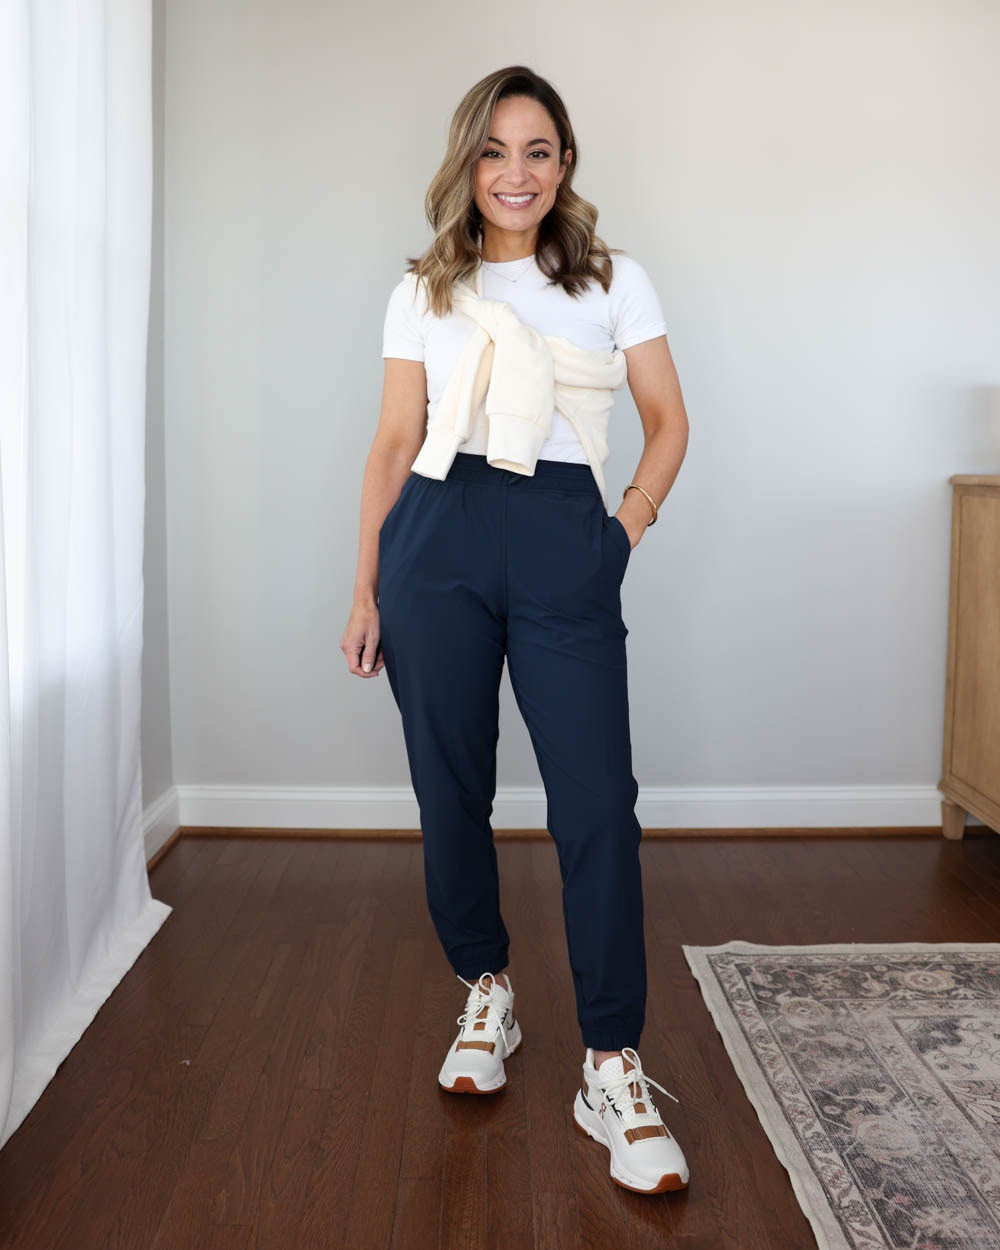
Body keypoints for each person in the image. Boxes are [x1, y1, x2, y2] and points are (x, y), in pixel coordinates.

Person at [341, 65, 690, 1195]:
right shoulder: (421, 292)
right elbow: (393, 443)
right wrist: (365, 589)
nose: (516, 172)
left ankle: (610, 1058)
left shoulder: (610, 280)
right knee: (450, 786)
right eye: (495, 151)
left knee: (596, 799)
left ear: (565, 165)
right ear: (467, 164)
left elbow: (667, 420)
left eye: (538, 150)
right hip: (434, 538)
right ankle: (486, 988)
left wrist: (618, 530)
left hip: (561, 531)